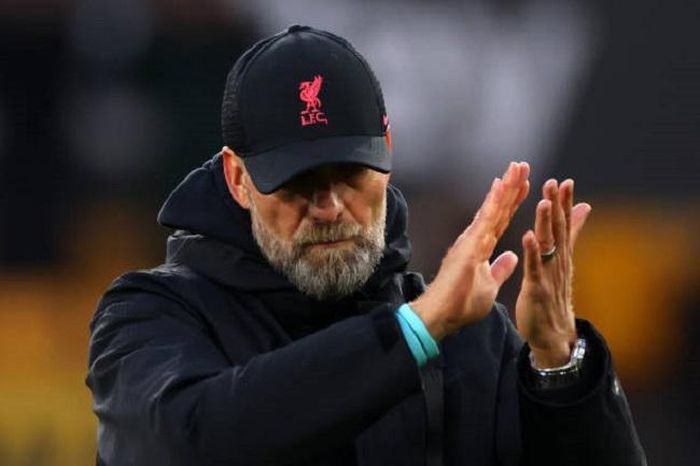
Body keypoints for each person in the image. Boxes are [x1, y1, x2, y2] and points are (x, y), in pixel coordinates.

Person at [86, 25, 646, 466]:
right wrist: (415, 331)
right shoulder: (151, 318)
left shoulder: (470, 339)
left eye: (350, 172)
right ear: (237, 179)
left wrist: (559, 368)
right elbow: (187, 445)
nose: (330, 206)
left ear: (387, 154)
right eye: (299, 181)